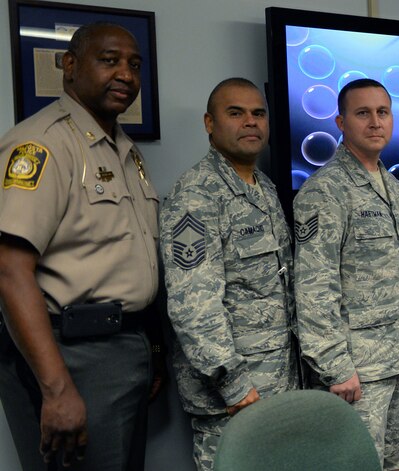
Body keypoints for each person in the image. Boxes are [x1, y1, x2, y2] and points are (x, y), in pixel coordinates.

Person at [0, 22, 161, 470]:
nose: (126, 75)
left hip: (124, 348)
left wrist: (149, 350)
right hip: (71, 356)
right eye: (109, 60)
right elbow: (10, 271)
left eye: (134, 64)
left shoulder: (121, 149)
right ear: (69, 66)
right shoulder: (43, 144)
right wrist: (57, 390)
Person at [160, 78, 296, 471]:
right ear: (209, 123)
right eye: (235, 113)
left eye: (258, 113)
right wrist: (236, 387)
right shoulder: (196, 195)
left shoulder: (263, 188)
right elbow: (193, 306)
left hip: (277, 386)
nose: (250, 122)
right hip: (234, 399)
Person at [293, 78, 399, 470]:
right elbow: (314, 286)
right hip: (356, 372)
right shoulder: (324, 191)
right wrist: (336, 367)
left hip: (398, 359)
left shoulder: (391, 185)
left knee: (394, 464)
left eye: (383, 112)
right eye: (363, 113)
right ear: (341, 122)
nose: (375, 122)